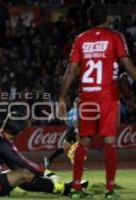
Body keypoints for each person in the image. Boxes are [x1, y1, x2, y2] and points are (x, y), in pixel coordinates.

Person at [58, 4, 136, 199]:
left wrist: (61, 97)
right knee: (109, 142)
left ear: (88, 19)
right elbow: (127, 65)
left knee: (83, 142)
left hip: (87, 98)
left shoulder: (81, 39)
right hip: (108, 97)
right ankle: (109, 190)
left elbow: (70, 71)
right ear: (107, 18)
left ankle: (76, 187)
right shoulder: (115, 37)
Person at [0, 111, 88, 197]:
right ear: (19, 133)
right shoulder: (4, 145)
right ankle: (66, 189)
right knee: (25, 173)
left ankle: (65, 188)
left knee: (23, 174)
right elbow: (26, 164)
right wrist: (50, 174)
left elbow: (20, 169)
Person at [44, 97, 80, 169]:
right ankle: (49, 158)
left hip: (70, 130)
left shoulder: (71, 111)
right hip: (73, 130)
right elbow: (74, 120)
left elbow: (65, 120)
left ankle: (49, 158)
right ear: (77, 103)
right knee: (73, 146)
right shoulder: (76, 111)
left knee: (70, 147)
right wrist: (76, 129)